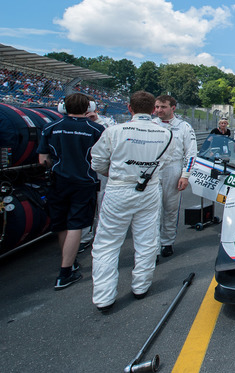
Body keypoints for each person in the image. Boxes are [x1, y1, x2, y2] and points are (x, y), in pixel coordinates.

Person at [90, 91, 173, 312]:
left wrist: (118, 174)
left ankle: (104, 297)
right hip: (149, 188)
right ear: (153, 109)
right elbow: (164, 162)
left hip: (118, 188)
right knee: (147, 239)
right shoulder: (165, 133)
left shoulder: (113, 131)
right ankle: (141, 286)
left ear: (129, 108)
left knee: (107, 243)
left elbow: (97, 162)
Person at [37, 93, 105, 290]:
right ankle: (65, 271)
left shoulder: (50, 127)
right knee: (76, 224)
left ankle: (70, 262)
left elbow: (43, 160)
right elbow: (102, 158)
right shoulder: (96, 128)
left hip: (58, 182)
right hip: (84, 182)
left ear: (64, 108)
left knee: (62, 224)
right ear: (87, 107)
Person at [153, 95, 197, 258]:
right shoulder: (151, 125)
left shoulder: (184, 126)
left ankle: (167, 242)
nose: (159, 110)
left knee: (170, 209)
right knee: (153, 211)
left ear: (173, 108)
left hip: (174, 168)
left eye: (163, 107)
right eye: (157, 107)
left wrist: (185, 175)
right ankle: (154, 248)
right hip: (154, 169)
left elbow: (191, 153)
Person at [79, 110, 116, 253]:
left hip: (102, 170)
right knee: (85, 203)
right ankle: (84, 237)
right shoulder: (78, 124)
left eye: (90, 112)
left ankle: (102, 234)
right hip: (82, 169)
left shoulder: (106, 124)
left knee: (102, 200)